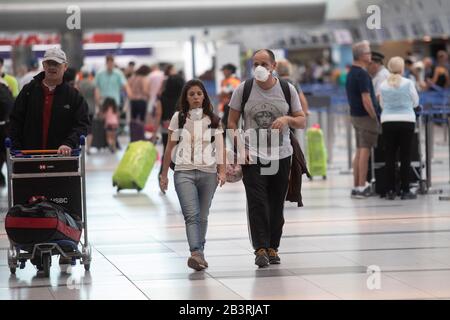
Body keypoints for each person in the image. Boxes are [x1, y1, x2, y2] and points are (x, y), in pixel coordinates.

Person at [8, 47, 89, 266]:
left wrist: (68, 144)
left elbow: (82, 124)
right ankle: (31, 243)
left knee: (66, 203)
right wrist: (16, 147)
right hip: (29, 162)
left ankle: (67, 241)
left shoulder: (73, 96)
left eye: (56, 64)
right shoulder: (28, 92)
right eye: (48, 63)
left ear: (65, 67)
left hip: (62, 164)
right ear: (43, 66)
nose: (52, 67)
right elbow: (14, 121)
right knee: (30, 202)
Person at [227, 49, 306, 268]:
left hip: (281, 155)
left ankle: (273, 247)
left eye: (264, 63)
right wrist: (240, 148)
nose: (259, 68)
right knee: (257, 202)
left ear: (274, 66)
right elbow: (232, 123)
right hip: (252, 154)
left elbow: (302, 120)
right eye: (255, 64)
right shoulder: (243, 89)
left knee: (275, 202)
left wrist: (287, 119)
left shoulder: (286, 89)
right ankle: (260, 248)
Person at [159, 79, 226, 271]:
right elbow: (169, 148)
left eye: (199, 93)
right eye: (191, 94)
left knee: (203, 216)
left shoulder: (214, 120)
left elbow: (220, 148)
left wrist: (222, 171)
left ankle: (200, 254)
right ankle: (195, 252)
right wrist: (164, 175)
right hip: (183, 172)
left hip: (208, 172)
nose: (196, 97)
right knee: (191, 215)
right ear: (186, 98)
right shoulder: (178, 118)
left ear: (204, 96)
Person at [378, 57, 419, 200]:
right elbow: (415, 102)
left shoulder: (383, 85)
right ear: (402, 69)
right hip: (406, 121)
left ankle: (390, 190)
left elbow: (382, 105)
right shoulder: (408, 83)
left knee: (389, 156)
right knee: (405, 157)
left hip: (388, 121)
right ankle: (405, 190)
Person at [345, 41, 380, 199]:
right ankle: (360, 187)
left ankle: (357, 185)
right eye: (368, 53)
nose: (370, 56)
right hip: (365, 117)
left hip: (355, 116)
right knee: (365, 152)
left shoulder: (351, 72)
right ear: (361, 56)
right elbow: (366, 99)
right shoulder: (363, 74)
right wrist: (374, 116)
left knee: (359, 151)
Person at [153, 64, 185, 177]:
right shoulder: (184, 99)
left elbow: (158, 115)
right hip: (182, 130)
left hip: (166, 129)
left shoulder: (162, 99)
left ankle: (162, 173)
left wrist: (153, 134)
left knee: (167, 150)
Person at [76, 67, 97, 153]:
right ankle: (88, 148)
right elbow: (96, 97)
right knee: (90, 128)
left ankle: (81, 146)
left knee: (81, 126)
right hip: (91, 108)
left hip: (81, 108)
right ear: (89, 74)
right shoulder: (93, 84)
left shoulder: (78, 84)